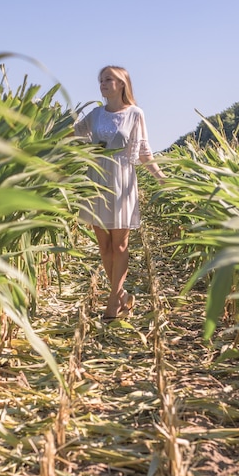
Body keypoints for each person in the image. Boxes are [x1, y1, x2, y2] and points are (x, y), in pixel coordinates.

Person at [74, 65, 166, 322]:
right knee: (103, 245)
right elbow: (71, 135)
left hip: (122, 181)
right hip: (97, 181)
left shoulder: (135, 114)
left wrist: (161, 178)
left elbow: (144, 152)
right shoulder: (95, 115)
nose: (102, 83)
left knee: (120, 243)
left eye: (108, 79)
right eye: (101, 80)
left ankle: (113, 300)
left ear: (122, 84)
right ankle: (123, 296)